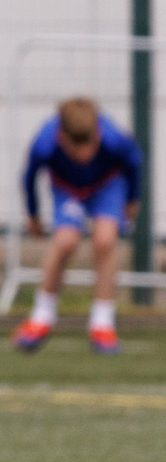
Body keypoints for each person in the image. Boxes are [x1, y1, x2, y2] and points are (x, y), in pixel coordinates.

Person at [15, 96, 145, 354]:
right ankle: (41, 317)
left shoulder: (113, 138)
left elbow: (134, 163)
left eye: (91, 145)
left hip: (107, 184)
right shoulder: (44, 144)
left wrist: (132, 199)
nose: (86, 154)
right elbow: (29, 176)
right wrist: (33, 214)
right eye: (78, 149)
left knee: (105, 240)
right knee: (65, 240)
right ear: (62, 138)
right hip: (68, 187)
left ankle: (103, 321)